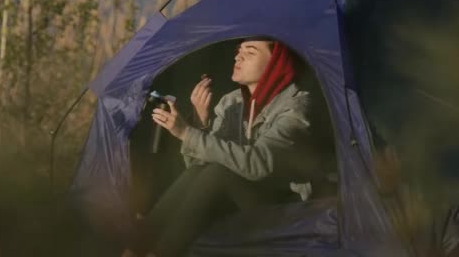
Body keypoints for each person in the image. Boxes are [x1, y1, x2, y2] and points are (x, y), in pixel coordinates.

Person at [122, 38, 330, 257]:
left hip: (282, 204)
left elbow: (258, 163)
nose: (238, 57)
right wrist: (200, 124)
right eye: (238, 50)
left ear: (275, 64)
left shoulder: (296, 107)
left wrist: (186, 133)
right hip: (239, 197)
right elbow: (196, 168)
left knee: (219, 173)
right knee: (203, 171)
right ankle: (133, 251)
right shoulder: (231, 103)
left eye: (250, 53)